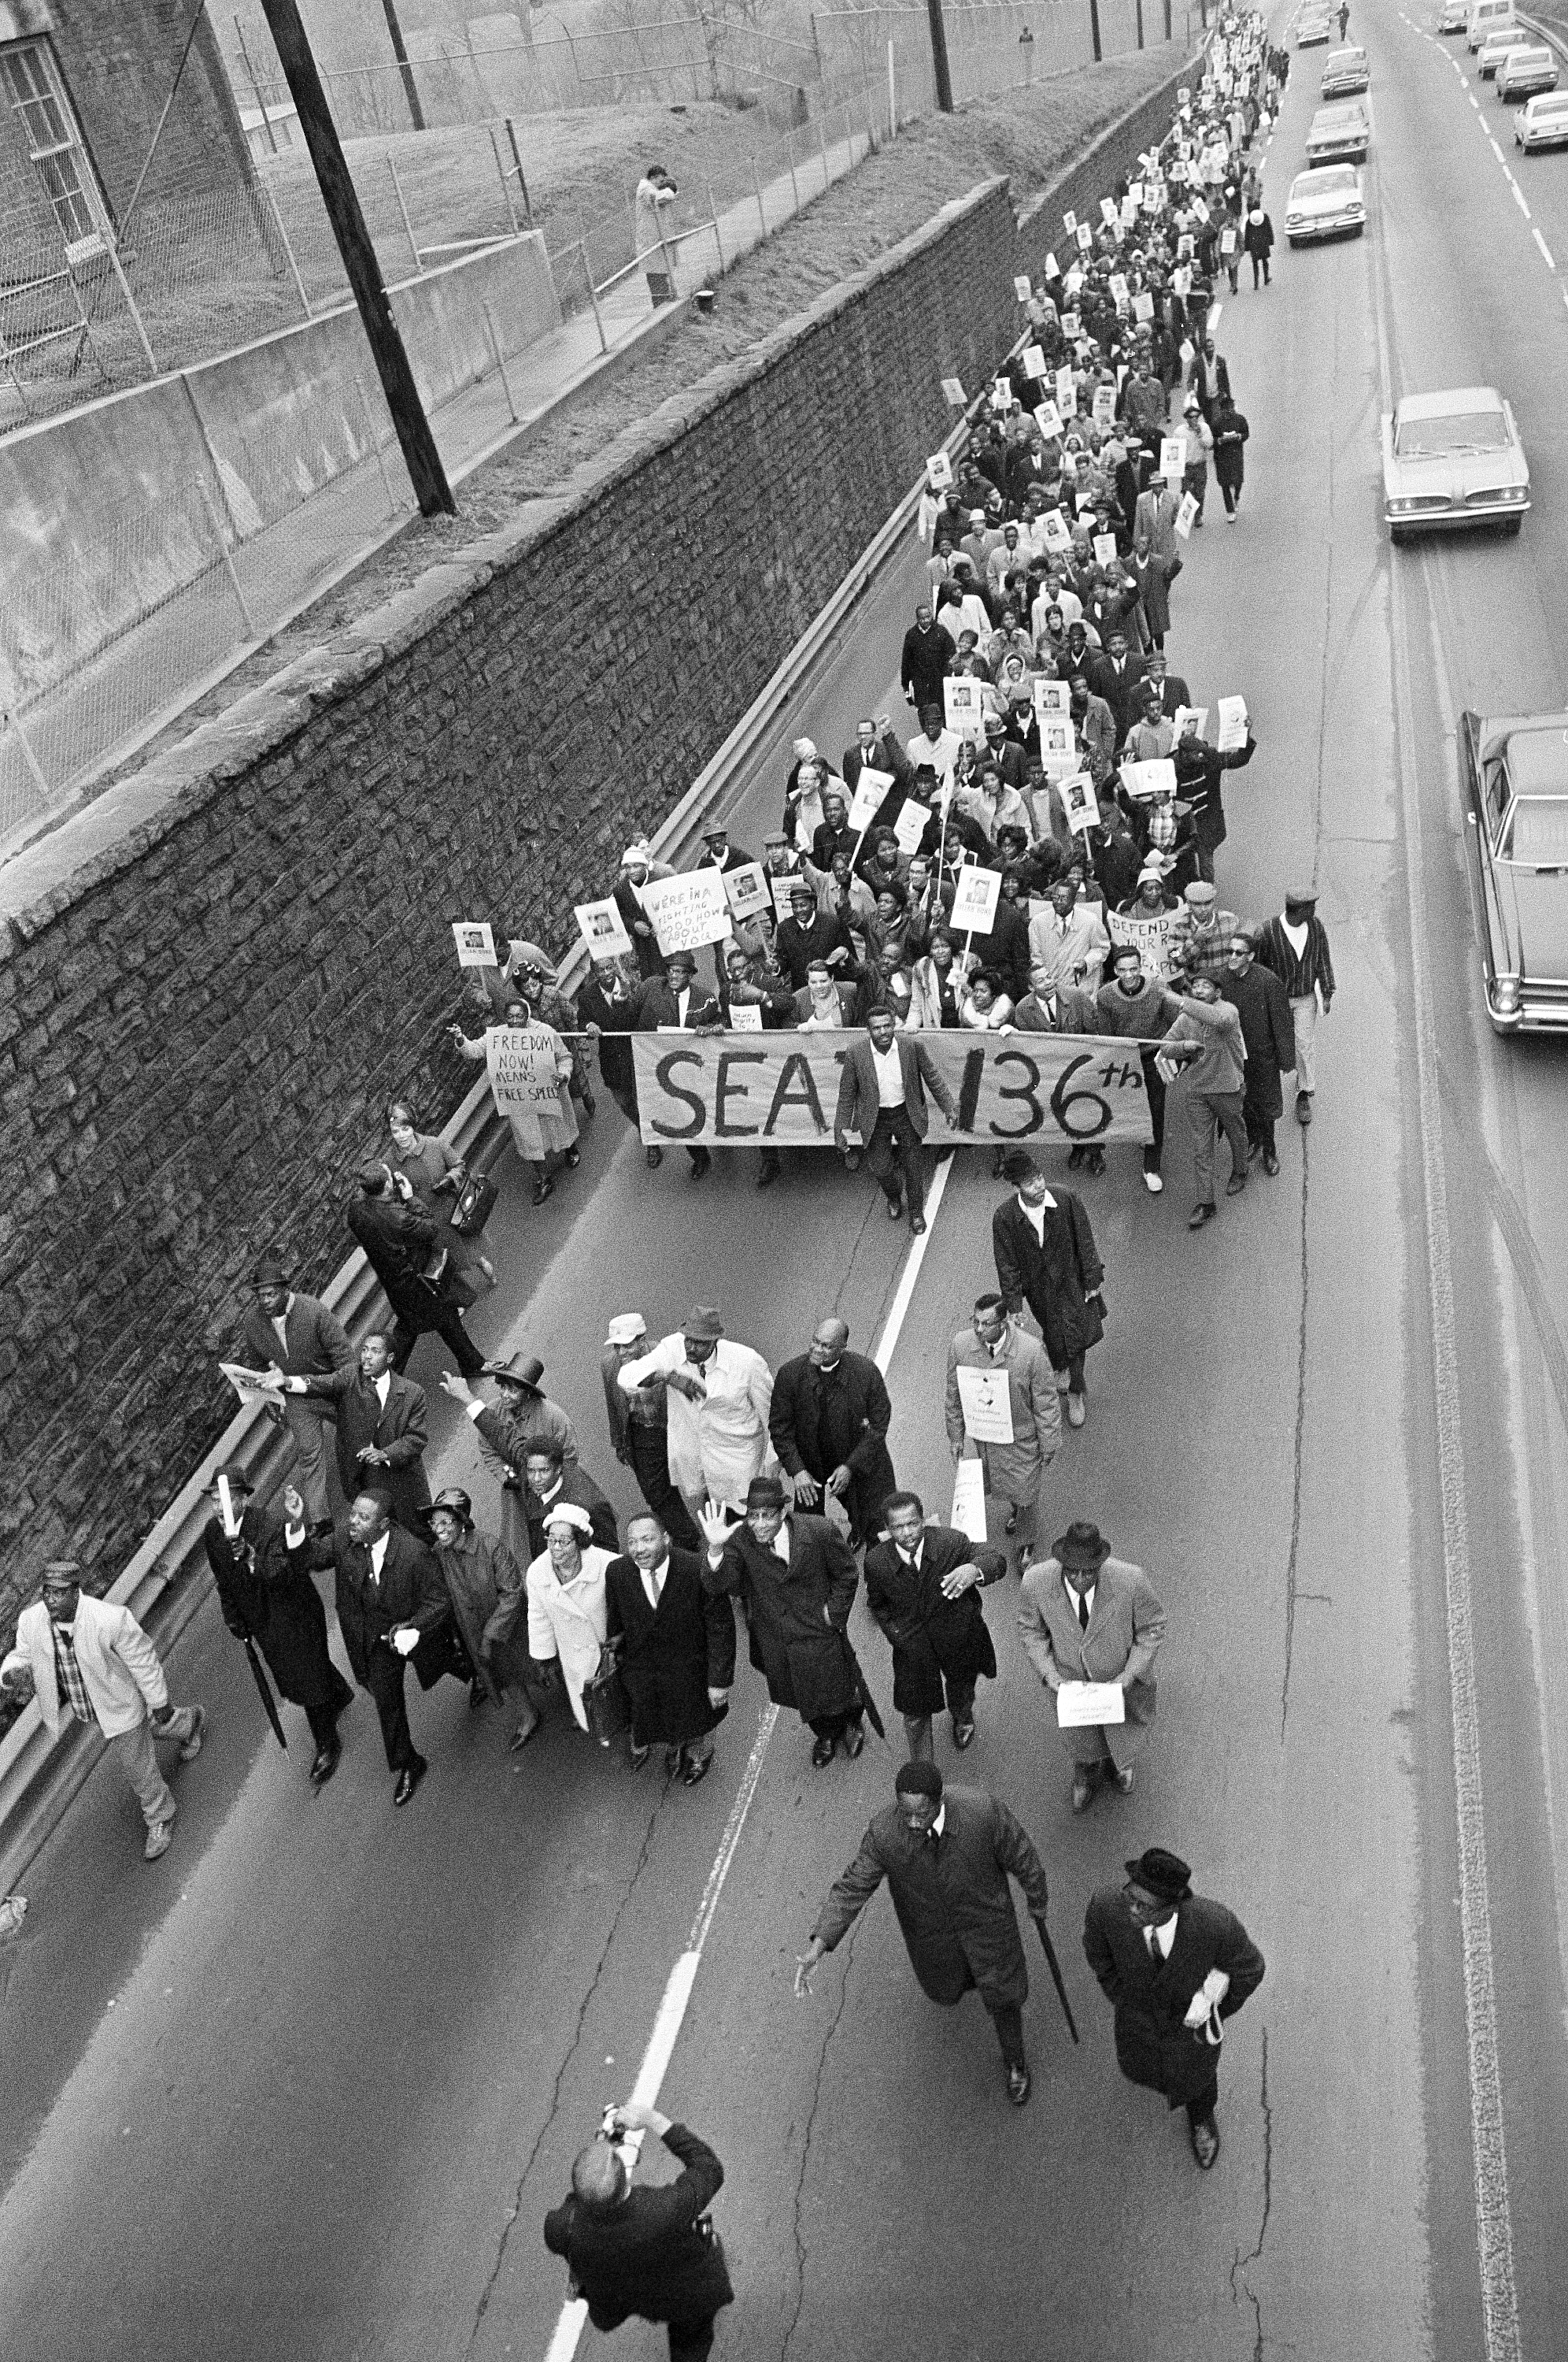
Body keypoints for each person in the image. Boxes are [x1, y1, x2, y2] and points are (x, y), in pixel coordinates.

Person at [795, 1761, 1054, 2107]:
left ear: (940, 1800)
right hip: (935, 1940)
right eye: (906, 1814)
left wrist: (1037, 1900)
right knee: (951, 1985)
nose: (914, 1822)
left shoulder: (983, 1814)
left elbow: (1024, 1857)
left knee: (1005, 2000)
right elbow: (852, 1886)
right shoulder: (885, 1834)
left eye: (923, 1813)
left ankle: (1016, 2062)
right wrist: (819, 1944)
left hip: (989, 1931)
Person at [1, 1561, 206, 1862]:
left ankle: (160, 1816)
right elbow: (22, 1655)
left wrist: (159, 1700)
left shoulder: (109, 1619)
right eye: (46, 1592)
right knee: (150, 1730)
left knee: (139, 1767)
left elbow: (142, 1660)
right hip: (91, 1708)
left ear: (75, 1592)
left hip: (122, 1703)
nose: (50, 1600)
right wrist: (11, 1673)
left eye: (58, 1593)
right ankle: (190, 1723)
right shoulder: (32, 1621)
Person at [1082, 1847, 1267, 2169]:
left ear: (1172, 1907)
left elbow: (1251, 1969)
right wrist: (1121, 1997)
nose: (1133, 1911)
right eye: (1131, 1897)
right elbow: (1098, 1954)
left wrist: (1216, 2012)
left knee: (1198, 2081)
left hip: (1192, 2038)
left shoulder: (1214, 1925)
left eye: (1146, 1906)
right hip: (1137, 2027)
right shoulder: (1106, 1906)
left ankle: (1201, 2120)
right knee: (1148, 2068)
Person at [544, 2101, 733, 2362]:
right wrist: (654, 2119)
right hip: (684, 2294)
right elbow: (708, 2167)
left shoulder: (560, 2227)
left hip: (622, 2296)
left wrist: (601, 2157)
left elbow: (580, 2201)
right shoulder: (666, 2209)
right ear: (624, 2176)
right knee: (691, 2342)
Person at [202, 1465, 353, 1788]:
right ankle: (339, 1692)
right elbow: (223, 1581)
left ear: (244, 1498)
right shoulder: (212, 1534)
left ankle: (327, 1743)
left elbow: (282, 1574)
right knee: (302, 1668)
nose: (219, 1508)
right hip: (261, 1618)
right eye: (215, 1500)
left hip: (294, 1612)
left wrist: (252, 1558)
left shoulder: (269, 1526)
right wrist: (234, 1617)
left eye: (226, 1500)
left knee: (305, 1677)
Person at [698, 1476, 865, 1767]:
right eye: (753, 1516)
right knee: (803, 1695)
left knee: (838, 1687)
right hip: (778, 1639)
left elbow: (847, 1575)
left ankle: (851, 1722)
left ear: (783, 1512)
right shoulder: (740, 1541)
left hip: (819, 1632)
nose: (759, 1524)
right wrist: (715, 1550)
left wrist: (833, 1613)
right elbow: (720, 1586)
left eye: (767, 1515)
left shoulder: (820, 1532)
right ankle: (825, 1734)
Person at [1018, 1519, 1167, 1811]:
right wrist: (1050, 1675)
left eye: (1090, 1572)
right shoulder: (1035, 1581)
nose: (1081, 1579)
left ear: (1102, 1563)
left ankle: (1119, 1764)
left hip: (1121, 1681)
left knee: (1122, 1731)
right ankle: (1084, 1773)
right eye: (1073, 1571)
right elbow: (1030, 1630)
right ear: (1061, 1564)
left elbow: (1152, 1628)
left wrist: (1129, 1674)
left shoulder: (1131, 1580)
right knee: (1082, 1740)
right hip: (1070, 1685)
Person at [863, 1491, 1007, 1760]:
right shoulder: (877, 1562)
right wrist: (898, 1635)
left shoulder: (951, 1542)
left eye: (914, 1523)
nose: (908, 1533)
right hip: (913, 1648)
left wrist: (974, 1569)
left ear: (923, 1520)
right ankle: (923, 1768)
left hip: (958, 1637)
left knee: (963, 1686)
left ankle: (963, 1716)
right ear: (887, 1528)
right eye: (898, 1527)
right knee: (915, 1712)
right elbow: (878, 1605)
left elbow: (995, 1560)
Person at [330, 1490, 450, 1805]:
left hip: (410, 1629)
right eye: (353, 1513)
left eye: (363, 1517)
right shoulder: (349, 1538)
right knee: (388, 1702)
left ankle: (471, 1671)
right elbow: (315, 1555)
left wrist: (415, 1626)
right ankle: (410, 1762)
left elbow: (438, 1601)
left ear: (384, 1524)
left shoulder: (413, 1553)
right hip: (378, 1640)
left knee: (445, 1661)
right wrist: (298, 1522)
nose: (353, 1522)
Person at [606, 1512, 735, 1784]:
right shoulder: (618, 1572)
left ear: (666, 1539)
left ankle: (701, 1754)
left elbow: (720, 1627)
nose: (639, 1549)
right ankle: (675, 1746)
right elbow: (617, 1617)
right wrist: (614, 1643)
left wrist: (719, 1681)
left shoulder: (696, 1569)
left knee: (699, 1718)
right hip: (648, 1672)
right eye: (632, 1542)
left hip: (693, 1671)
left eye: (647, 1539)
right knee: (662, 1717)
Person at [618, 1307, 776, 1530]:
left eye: (700, 1343)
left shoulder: (747, 1363)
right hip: (700, 1460)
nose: (691, 1348)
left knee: (748, 1524)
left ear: (715, 1341)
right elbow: (627, 1378)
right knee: (713, 1520)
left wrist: (773, 1463)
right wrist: (670, 1377)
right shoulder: (672, 1348)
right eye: (688, 1340)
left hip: (740, 1461)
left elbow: (773, 1415)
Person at [238, 1251, 355, 1532]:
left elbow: (345, 1358)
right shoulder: (253, 1323)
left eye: (270, 1295)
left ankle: (383, 1470)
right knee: (309, 1454)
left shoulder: (313, 1311)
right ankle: (320, 1519)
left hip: (330, 1388)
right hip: (297, 1399)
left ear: (285, 1290)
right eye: (260, 1296)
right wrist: (269, 1399)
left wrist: (346, 1390)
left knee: (358, 1436)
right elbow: (257, 1364)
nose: (265, 1302)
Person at [419, 1487, 540, 1750]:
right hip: (473, 1630)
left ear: (462, 1521)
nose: (439, 1529)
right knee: (506, 1675)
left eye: (445, 1522)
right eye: (434, 1523)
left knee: (529, 1664)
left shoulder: (491, 1547)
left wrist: (490, 1634)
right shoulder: (440, 1554)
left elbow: (512, 1594)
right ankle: (528, 1715)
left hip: (507, 1628)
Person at [991, 1151, 1106, 1428]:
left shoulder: (1066, 1199)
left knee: (1077, 1336)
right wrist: (1015, 1305)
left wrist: (1092, 1279)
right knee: (1056, 1334)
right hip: (1040, 1292)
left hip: (1073, 1282)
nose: (1040, 1185)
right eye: (1031, 1183)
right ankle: (1060, 1367)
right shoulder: (1005, 1218)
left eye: (1040, 1177)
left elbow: (1085, 1238)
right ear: (1017, 1188)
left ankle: (1077, 1390)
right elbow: (1006, 1264)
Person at [944, 1293, 1061, 1558]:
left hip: (1022, 1438)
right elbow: (954, 1393)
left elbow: (1046, 1401)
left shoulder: (1030, 1351)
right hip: (985, 1437)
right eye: (975, 1321)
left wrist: (1049, 1443)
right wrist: (956, 1437)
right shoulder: (961, 1346)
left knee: (1027, 1493)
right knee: (1005, 1484)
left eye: (986, 1324)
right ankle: (1016, 1511)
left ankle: (1026, 1543)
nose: (978, 1329)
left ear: (1004, 1322)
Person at [347, 1161, 487, 1378]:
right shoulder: (396, 1217)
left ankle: (472, 1363)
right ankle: (380, 1378)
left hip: (394, 1280)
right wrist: (411, 1198)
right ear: (386, 1186)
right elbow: (430, 1230)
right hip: (416, 1283)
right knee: (413, 1327)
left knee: (442, 1316)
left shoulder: (356, 1211)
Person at [440, 1349, 578, 1570]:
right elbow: (488, 1448)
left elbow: (569, 1458)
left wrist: (550, 1485)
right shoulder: (495, 1410)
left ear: (528, 1394)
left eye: (512, 1390)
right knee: (521, 1543)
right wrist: (507, 1477)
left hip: (552, 1491)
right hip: (515, 1491)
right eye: (503, 1387)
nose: (505, 1395)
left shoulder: (554, 1418)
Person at [834, 1007, 962, 1236]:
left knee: (914, 1168)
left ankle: (916, 1213)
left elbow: (933, 1077)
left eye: (887, 1026)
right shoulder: (856, 1053)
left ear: (894, 1025)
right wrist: (840, 1127)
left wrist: (949, 1108)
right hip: (876, 1119)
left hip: (907, 1114)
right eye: (877, 1028)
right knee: (882, 1169)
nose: (883, 1032)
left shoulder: (911, 1047)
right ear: (868, 1030)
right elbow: (847, 1093)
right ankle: (894, 1196)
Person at [768, 1318, 896, 1548]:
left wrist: (850, 1466)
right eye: (816, 1342)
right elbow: (780, 1428)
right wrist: (797, 1471)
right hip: (811, 1460)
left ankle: (861, 1534)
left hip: (856, 1456)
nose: (817, 1349)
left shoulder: (865, 1372)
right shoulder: (790, 1374)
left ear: (842, 1348)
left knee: (873, 1519)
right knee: (808, 1527)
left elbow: (879, 1424)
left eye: (826, 1346)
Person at [450, 994, 580, 1207]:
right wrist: (460, 1039)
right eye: (510, 1017)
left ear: (527, 1016)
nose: (514, 1021)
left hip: (548, 1094)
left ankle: (570, 1148)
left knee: (559, 1126)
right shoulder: (498, 1037)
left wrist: (563, 1075)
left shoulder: (545, 1033)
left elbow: (565, 1058)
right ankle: (544, 1179)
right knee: (529, 1138)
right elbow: (474, 1051)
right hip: (519, 1100)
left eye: (519, 1016)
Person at [601, 1313, 702, 1551]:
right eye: (617, 1346)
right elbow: (613, 1404)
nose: (623, 1353)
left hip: (673, 1430)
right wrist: (620, 1443)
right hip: (641, 1433)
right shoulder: (609, 1365)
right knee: (655, 1492)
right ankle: (687, 1537)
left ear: (643, 1339)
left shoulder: (665, 1356)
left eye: (628, 1345)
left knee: (693, 1482)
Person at [1159, 974, 1250, 1229]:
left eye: (1206, 986)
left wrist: (1181, 1000)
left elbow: (1219, 1020)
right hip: (1197, 1091)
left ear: (1218, 993)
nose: (1199, 990)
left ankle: (1240, 1171)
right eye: (1195, 986)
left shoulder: (1227, 1011)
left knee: (1236, 1133)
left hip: (1227, 1088)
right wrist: (1184, 1047)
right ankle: (1206, 1202)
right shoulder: (1187, 1017)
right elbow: (1166, 1046)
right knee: (1201, 1148)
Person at [526, 1501, 619, 1733]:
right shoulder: (538, 1572)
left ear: (580, 1541)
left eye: (564, 1541)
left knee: (620, 1696)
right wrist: (544, 1657)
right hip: (573, 1653)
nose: (556, 1547)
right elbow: (539, 1617)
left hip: (610, 1650)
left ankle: (637, 1740)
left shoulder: (609, 1565)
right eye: (551, 1539)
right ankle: (597, 1724)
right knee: (585, 1695)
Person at [387, 1098, 497, 1294]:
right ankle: (461, 1295)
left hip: (454, 1211)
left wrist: (449, 1179)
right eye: (396, 1132)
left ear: (413, 1127)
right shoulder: (390, 1163)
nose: (402, 1136)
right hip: (428, 1222)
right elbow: (393, 1196)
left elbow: (459, 1166)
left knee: (471, 1250)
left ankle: (485, 1269)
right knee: (446, 1260)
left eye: (405, 1129)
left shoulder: (434, 1144)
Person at [324, 1329, 430, 1530]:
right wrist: (288, 1382)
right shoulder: (351, 1378)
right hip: (364, 1479)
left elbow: (416, 1438)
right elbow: (323, 1384)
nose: (367, 1356)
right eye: (364, 1350)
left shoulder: (413, 1393)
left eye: (375, 1351)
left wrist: (385, 1454)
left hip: (402, 1481)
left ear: (390, 1357)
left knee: (417, 1533)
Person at [635, 954, 724, 1180]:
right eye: (671, 971)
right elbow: (634, 1019)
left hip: (699, 1068)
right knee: (683, 1116)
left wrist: (711, 1027)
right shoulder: (654, 993)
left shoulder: (705, 998)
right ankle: (700, 1157)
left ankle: (720, 1140)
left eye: (680, 972)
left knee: (710, 1108)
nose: (674, 976)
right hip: (670, 1073)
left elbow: (721, 1023)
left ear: (691, 975)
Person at [1254, 887, 1335, 1125]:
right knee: (1274, 1048)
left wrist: (1328, 992)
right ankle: (1267, 1095)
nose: (1315, 910)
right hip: (1277, 1001)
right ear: (1298, 910)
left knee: (1303, 1045)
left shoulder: (1316, 927)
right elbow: (1258, 968)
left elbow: (1323, 959)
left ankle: (1304, 1093)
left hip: (1305, 999)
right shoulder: (1267, 932)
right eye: (1311, 907)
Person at [1095, 945, 1172, 1192]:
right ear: (1115, 971)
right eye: (1122, 971)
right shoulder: (1106, 996)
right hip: (1126, 1059)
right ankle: (1143, 1133)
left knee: (1157, 1111)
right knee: (1133, 1107)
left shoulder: (1160, 989)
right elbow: (1107, 1034)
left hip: (1153, 1057)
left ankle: (1151, 1167)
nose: (1128, 976)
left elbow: (1174, 1024)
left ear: (1141, 968)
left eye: (1134, 969)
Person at [1221, 932, 1296, 1174]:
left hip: (1262, 1057)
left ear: (1251, 957)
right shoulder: (1222, 980)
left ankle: (1270, 1150)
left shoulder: (1268, 982)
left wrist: (1286, 1059)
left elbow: (1282, 1023)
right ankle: (1253, 1140)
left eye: (1239, 953)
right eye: (1229, 952)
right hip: (1235, 1057)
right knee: (1244, 1104)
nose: (1232, 957)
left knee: (1266, 1106)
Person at [521, 1441, 619, 1564]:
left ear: (559, 1469)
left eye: (544, 1471)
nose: (536, 1479)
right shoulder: (534, 1478)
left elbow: (610, 1557)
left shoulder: (590, 1505)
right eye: (531, 1471)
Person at [635, 165, 678, 305]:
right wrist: (670, 190)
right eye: (661, 182)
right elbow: (657, 199)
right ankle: (661, 306)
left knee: (661, 277)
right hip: (652, 242)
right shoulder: (646, 189)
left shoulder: (651, 188)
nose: (662, 186)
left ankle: (664, 303)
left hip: (657, 240)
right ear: (653, 178)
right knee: (657, 279)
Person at [1212, 394, 1250, 520]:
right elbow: (1212, 439)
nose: (1230, 411)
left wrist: (1239, 437)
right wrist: (1220, 440)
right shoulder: (1216, 423)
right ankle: (1230, 510)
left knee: (1238, 480)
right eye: (1227, 409)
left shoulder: (1240, 420)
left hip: (1236, 454)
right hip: (1222, 456)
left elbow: (1246, 433)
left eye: (1231, 408)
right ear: (1222, 411)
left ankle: (1237, 497)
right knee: (1225, 483)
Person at [1243, 204, 1273, 289]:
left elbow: (1247, 235)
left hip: (1254, 244)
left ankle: (1256, 283)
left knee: (1255, 263)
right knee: (1265, 261)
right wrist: (1271, 241)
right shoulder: (1265, 217)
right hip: (1264, 243)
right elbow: (1269, 230)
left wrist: (1247, 247)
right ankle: (1266, 278)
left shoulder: (1249, 220)